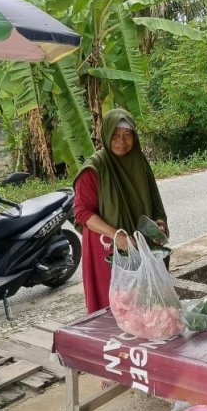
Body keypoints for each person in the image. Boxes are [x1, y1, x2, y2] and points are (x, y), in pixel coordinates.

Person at [73, 108, 169, 313]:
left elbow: (155, 202)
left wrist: (159, 223)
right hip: (106, 247)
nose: (121, 141)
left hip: (139, 243)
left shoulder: (139, 162)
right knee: (112, 306)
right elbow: (82, 213)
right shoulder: (94, 169)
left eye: (127, 135)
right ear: (106, 135)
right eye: (115, 135)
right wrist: (117, 235)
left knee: (145, 308)